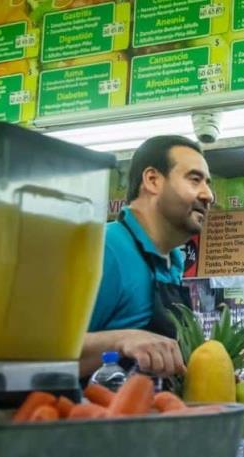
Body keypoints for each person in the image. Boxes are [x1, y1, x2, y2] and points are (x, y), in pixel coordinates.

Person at [80, 135, 214, 379]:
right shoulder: (104, 248)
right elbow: (37, 355)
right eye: (195, 180)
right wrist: (121, 339)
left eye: (208, 183)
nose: (208, 195)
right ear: (153, 180)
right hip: (94, 414)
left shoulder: (173, 261)